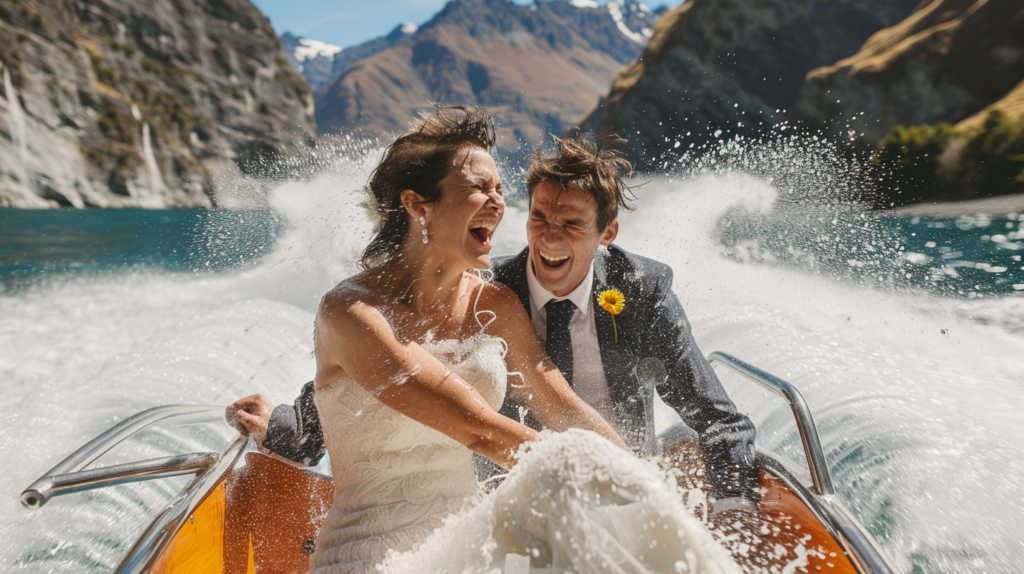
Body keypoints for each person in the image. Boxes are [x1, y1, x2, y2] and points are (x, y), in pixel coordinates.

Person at [227, 128, 761, 519]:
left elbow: (715, 418)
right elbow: (377, 372)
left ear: (608, 232)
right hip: (506, 502)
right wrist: (289, 428)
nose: (549, 237)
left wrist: (707, 504)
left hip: (612, 483)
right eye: (538, 218)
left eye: (572, 225)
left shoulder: (640, 291)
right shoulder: (489, 287)